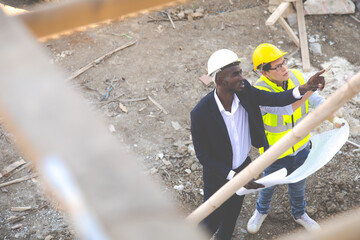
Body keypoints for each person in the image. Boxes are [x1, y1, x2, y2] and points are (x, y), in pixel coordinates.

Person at [190, 49, 325, 240]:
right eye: (235, 74)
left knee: (231, 217)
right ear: (220, 79)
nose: (241, 78)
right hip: (219, 175)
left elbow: (274, 100)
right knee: (211, 221)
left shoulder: (244, 90)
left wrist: (304, 88)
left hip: (244, 168)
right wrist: (233, 176)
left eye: (241, 72)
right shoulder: (201, 113)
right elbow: (203, 156)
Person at [247, 43, 345, 234]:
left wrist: (335, 119)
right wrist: (307, 90)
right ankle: (261, 211)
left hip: (301, 148)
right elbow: (285, 108)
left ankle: (299, 214)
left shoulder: (297, 77)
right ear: (264, 72)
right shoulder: (258, 92)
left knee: (298, 184)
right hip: (274, 153)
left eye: (284, 62)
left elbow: (316, 101)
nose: (285, 68)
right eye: (278, 66)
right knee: (268, 184)